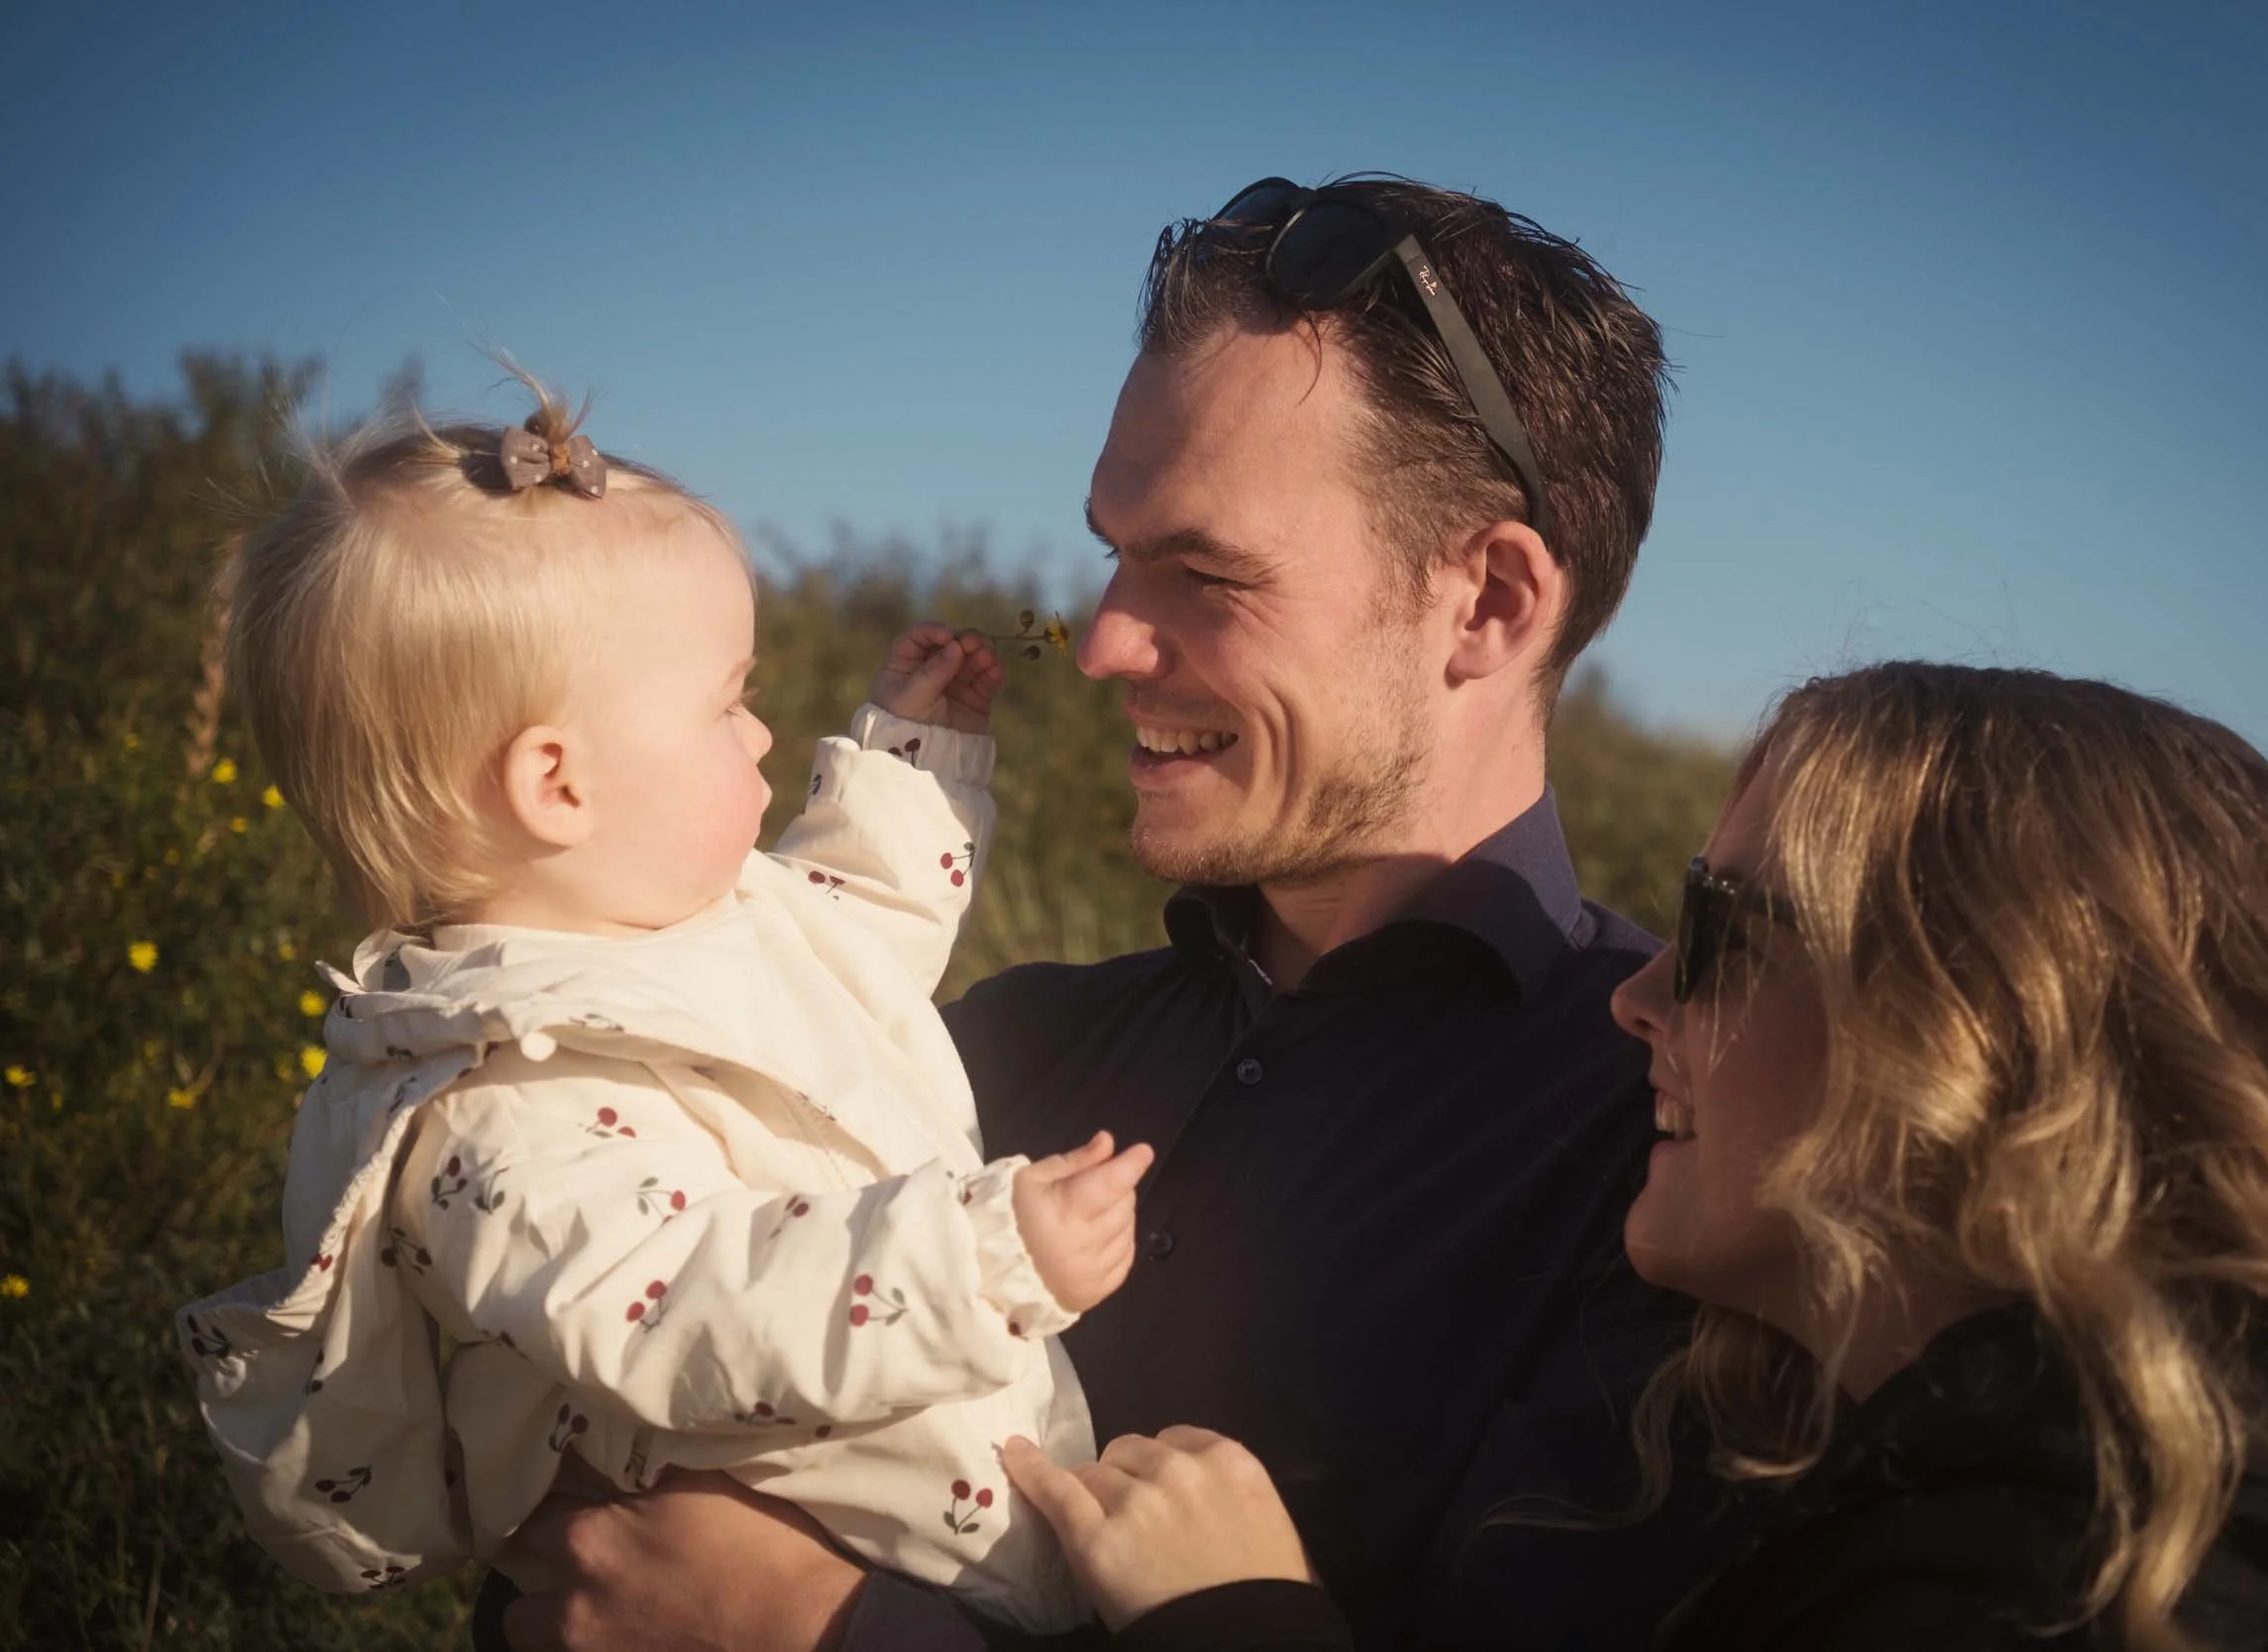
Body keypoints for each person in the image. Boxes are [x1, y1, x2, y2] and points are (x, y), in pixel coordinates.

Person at [486, 176, 1731, 1650]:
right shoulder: (978, 1052)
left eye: (1205, 572)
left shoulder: (1672, 1153)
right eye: (1114, 554)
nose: (1106, 644)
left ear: (1489, 604)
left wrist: (819, 1626)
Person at [1002, 662, 2268, 1652]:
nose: (1639, 997)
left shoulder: (2071, 1580)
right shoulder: (2153, 1496)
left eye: (1721, 932)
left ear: (1982, 1023)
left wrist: (1240, 1617)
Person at [174, 385, 1154, 1633]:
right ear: (557, 783)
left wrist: (910, 760)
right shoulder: (499, 1108)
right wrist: (978, 1258)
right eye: (724, 703)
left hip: (936, 1527)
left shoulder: (689, 922)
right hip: (822, 1577)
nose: (758, 735)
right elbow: (683, 1304)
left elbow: (849, 931)